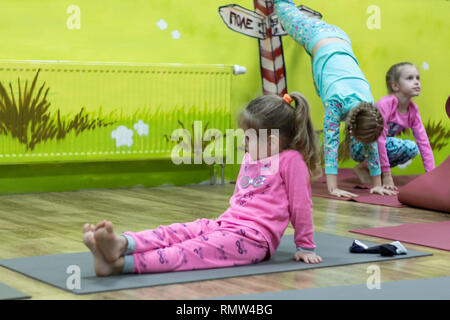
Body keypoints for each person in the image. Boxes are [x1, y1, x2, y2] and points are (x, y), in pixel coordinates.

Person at [83, 92, 323, 276]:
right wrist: (219, 225)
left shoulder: (291, 161)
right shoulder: (252, 156)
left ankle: (118, 265)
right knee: (178, 231)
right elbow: (241, 196)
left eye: (248, 137)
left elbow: (301, 206)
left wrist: (305, 246)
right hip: (224, 223)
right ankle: (122, 243)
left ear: (270, 141)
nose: (243, 143)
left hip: (253, 239)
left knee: (191, 251)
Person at [274, 0, 396, 197]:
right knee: (282, 7)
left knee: (301, 24)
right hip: (318, 37)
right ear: (352, 128)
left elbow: (372, 146)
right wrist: (333, 188)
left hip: (339, 39)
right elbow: (330, 144)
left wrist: (377, 184)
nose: (366, 145)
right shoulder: (336, 102)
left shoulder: (368, 107)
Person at [354, 62, 434, 189]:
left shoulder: (413, 110)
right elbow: (379, 139)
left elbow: (423, 142)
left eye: (418, 78)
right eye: (410, 78)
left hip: (382, 145)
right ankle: (367, 166)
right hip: (361, 144)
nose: (417, 82)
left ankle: (365, 167)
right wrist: (387, 175)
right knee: (391, 144)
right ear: (395, 85)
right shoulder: (385, 105)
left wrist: (431, 176)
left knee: (412, 149)